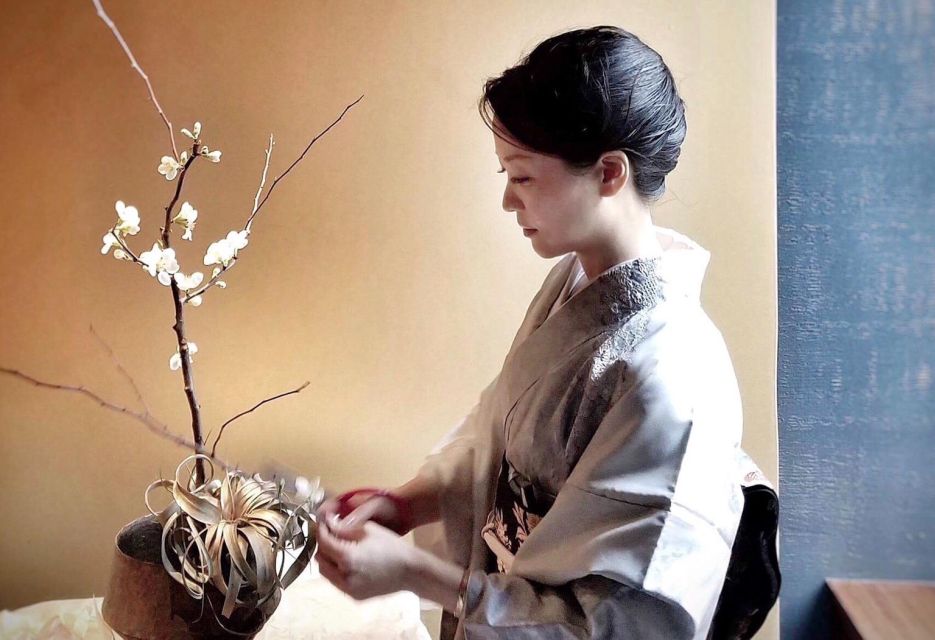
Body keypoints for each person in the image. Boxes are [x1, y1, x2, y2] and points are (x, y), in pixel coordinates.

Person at [316, 25, 770, 639]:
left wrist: (415, 573)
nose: (508, 199)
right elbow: (498, 441)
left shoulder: (674, 377)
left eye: (523, 176)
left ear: (609, 172)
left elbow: (616, 623)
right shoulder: (575, 283)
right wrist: (407, 503)